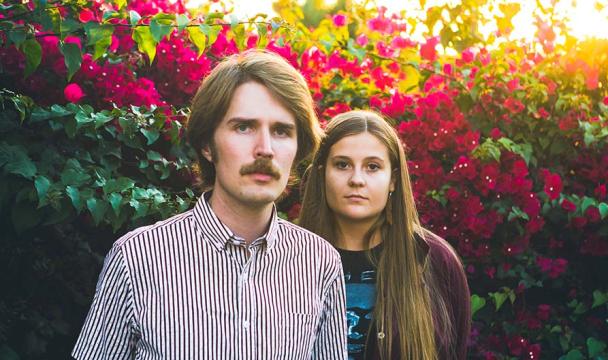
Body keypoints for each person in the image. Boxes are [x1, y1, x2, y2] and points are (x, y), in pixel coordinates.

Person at [72, 50, 347, 359]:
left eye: (282, 131)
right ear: (206, 145)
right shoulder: (137, 259)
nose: (265, 149)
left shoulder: (320, 263)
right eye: (244, 127)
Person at [299, 110, 470, 360]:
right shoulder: (289, 258)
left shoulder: (435, 260)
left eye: (373, 167)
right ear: (322, 173)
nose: (356, 180)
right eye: (342, 164)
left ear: (393, 179)